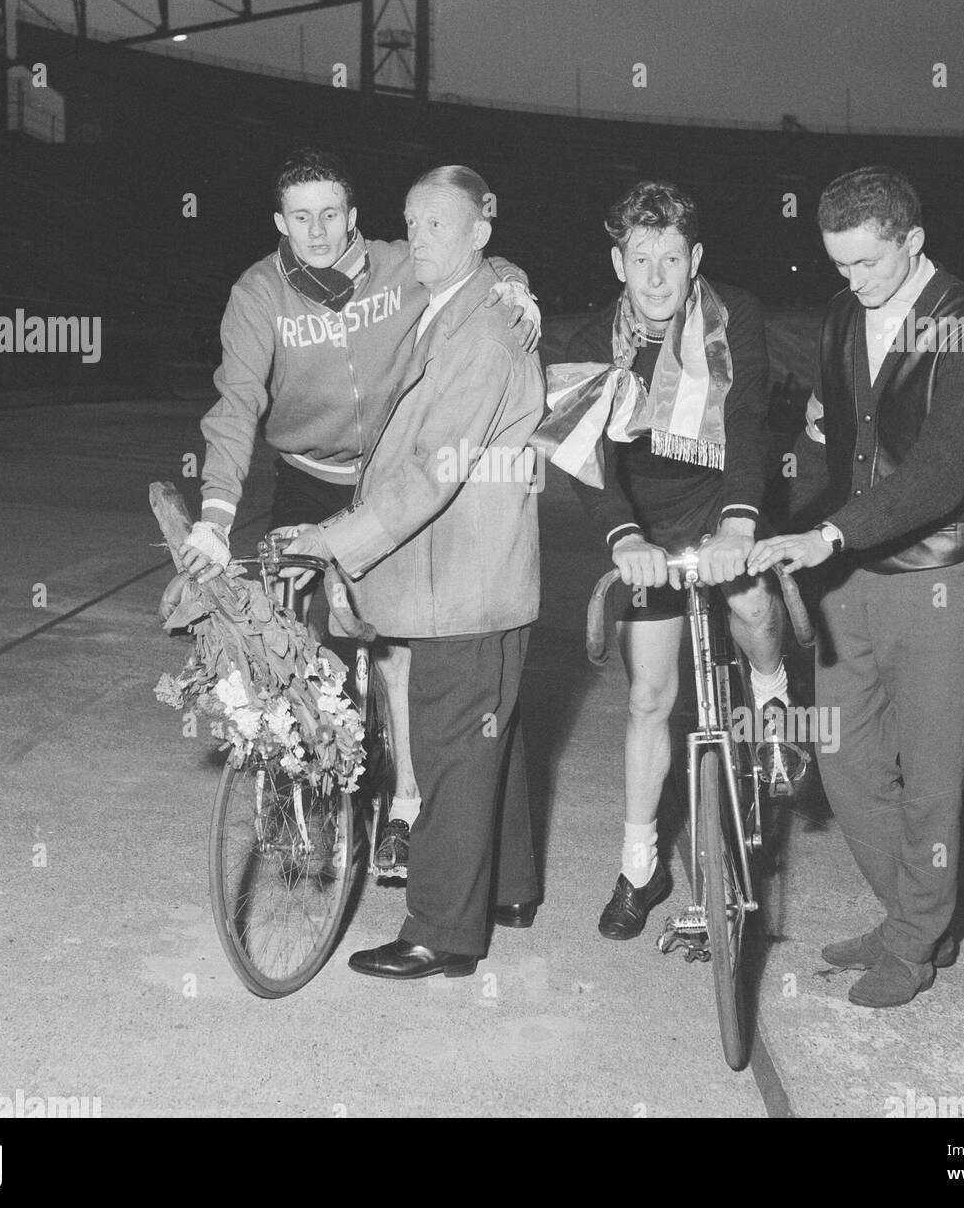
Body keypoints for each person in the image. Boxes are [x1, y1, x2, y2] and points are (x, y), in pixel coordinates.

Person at [178, 148, 539, 874]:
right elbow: (237, 402)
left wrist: (515, 283)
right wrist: (215, 515)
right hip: (309, 479)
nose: (317, 231)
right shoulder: (256, 294)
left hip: (388, 478)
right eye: (301, 218)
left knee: (394, 649)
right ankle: (298, 794)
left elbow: (472, 255)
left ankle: (404, 808)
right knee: (291, 642)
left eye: (331, 215)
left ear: (354, 218)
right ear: (281, 222)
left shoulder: (399, 262)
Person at [748, 166, 964, 1008]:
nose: (851, 282)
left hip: (935, 575)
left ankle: (912, 941)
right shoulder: (839, 316)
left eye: (867, 264)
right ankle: (910, 913)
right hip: (846, 573)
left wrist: (828, 533)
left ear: (912, 240)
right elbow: (841, 438)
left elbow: (938, 474)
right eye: (838, 266)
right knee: (842, 757)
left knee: (932, 773)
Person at [283, 165, 544, 979]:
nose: (420, 240)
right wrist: (513, 278)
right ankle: (508, 890)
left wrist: (337, 539)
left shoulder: (484, 334)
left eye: (440, 225)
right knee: (486, 732)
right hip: (470, 577)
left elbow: (434, 469)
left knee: (448, 749)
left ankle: (442, 932)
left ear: (481, 230)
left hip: (463, 578)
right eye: (412, 223)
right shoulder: (469, 297)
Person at [532, 180, 797, 942]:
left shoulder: (733, 314)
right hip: (641, 523)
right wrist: (623, 538)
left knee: (749, 603)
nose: (655, 277)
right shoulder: (589, 343)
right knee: (649, 694)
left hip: (720, 502)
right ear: (618, 261)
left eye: (671, 259)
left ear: (695, 260)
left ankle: (773, 690)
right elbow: (586, 463)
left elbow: (744, 419)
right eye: (640, 258)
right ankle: (640, 863)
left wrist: (739, 525)